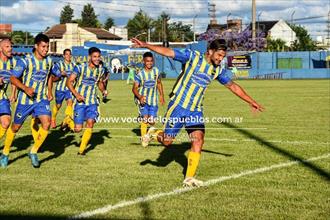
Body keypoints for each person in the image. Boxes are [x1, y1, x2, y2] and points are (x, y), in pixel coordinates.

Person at [131, 38, 264, 187]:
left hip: (196, 110)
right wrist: (146, 45)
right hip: (178, 106)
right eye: (219, 55)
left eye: (223, 57)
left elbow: (232, 86)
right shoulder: (192, 57)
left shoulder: (218, 70)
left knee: (198, 139)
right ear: (210, 51)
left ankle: (189, 177)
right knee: (167, 141)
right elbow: (168, 52)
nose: (221, 59)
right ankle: (153, 133)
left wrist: (251, 101)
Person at [0, 33, 61, 168]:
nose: (46, 50)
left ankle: (33, 152)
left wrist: (58, 79)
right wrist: (25, 88)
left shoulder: (49, 61)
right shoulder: (25, 61)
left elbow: (54, 75)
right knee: (15, 128)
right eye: (43, 47)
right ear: (36, 46)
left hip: (41, 100)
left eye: (47, 47)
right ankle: (5, 153)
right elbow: (13, 78)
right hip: (25, 101)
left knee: (46, 123)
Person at [66, 47, 106, 155]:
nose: (97, 59)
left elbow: (100, 82)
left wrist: (103, 91)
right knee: (78, 129)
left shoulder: (101, 70)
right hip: (80, 102)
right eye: (95, 57)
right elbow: (69, 82)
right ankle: (68, 121)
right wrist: (76, 94)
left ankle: (81, 150)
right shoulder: (80, 68)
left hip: (92, 101)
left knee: (90, 123)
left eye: (98, 56)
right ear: (89, 57)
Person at [132, 52, 165, 147]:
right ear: (143, 61)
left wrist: (162, 95)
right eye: (147, 61)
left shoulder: (156, 71)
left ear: (153, 61)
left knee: (152, 122)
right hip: (143, 100)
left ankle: (150, 134)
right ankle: (144, 138)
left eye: (151, 61)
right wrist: (140, 97)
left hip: (153, 100)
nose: (149, 63)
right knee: (145, 119)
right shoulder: (140, 74)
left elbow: (159, 83)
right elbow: (134, 88)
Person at [50, 48, 75, 131]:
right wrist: (61, 73)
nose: (68, 56)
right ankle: (53, 119)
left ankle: (67, 121)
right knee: (58, 105)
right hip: (60, 89)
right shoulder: (59, 64)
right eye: (66, 54)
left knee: (70, 103)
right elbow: (53, 76)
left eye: (69, 54)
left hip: (69, 88)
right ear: (64, 56)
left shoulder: (74, 65)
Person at [0, 38, 17, 144]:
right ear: (0, 48)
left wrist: (13, 94)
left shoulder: (14, 62)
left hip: (2, 97)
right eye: (7, 46)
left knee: (6, 123)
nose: (10, 48)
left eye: (11, 46)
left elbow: (14, 79)